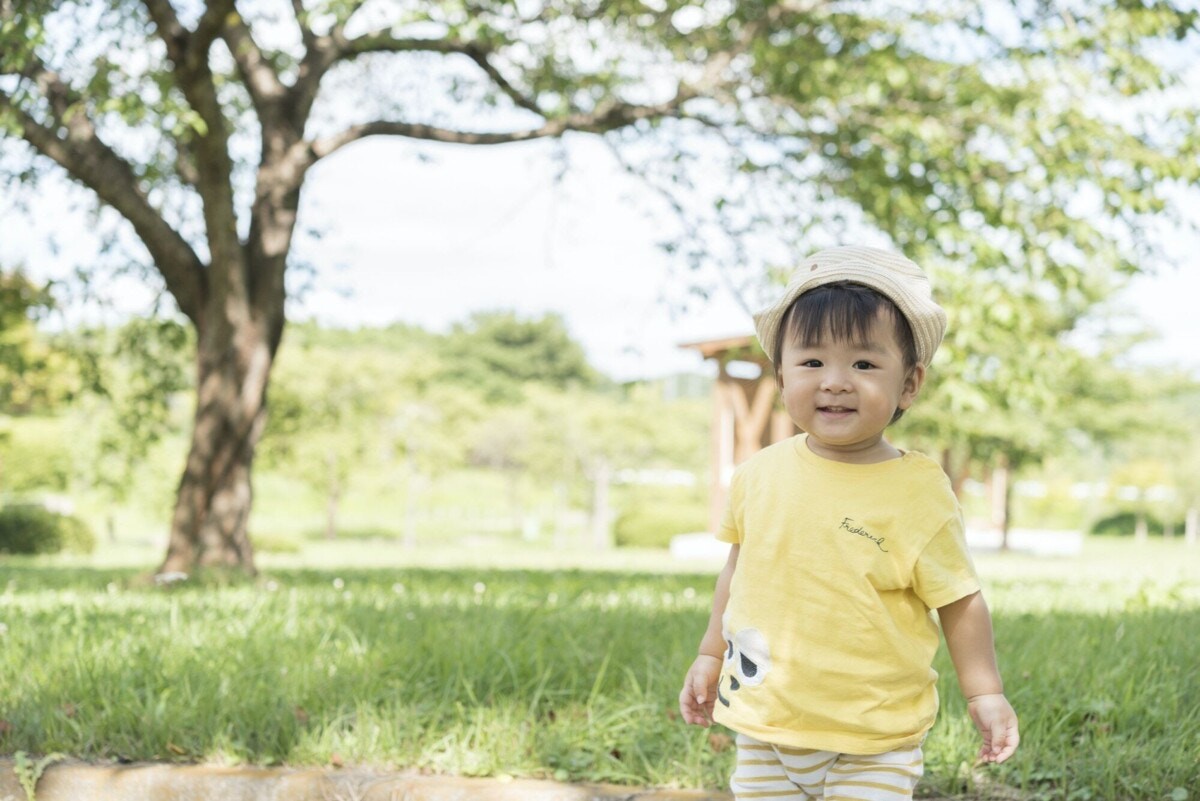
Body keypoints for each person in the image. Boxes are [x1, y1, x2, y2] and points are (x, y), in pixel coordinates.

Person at [678, 246, 1019, 800]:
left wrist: (984, 691)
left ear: (909, 384)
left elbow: (960, 598)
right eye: (812, 362)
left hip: (874, 734)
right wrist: (711, 653)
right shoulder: (759, 475)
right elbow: (738, 571)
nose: (835, 381)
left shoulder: (918, 491)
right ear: (783, 375)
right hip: (766, 720)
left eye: (863, 364)